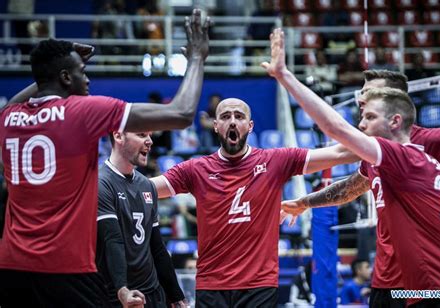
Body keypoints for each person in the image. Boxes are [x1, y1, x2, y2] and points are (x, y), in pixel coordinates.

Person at [0, 9, 210, 308]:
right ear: (64, 77)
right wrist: (198, 58)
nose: (86, 78)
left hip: (11, 267)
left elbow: (13, 102)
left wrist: (49, 75)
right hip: (64, 268)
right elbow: (181, 113)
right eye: (81, 72)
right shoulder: (80, 111)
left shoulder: (10, 118)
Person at [263, 28, 440, 307]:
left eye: (369, 102)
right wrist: (304, 202)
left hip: (430, 288)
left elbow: (336, 132)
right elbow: (350, 181)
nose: (360, 103)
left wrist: (285, 76)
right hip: (405, 286)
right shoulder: (399, 156)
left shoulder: (409, 150)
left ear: (394, 112)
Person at [148, 97, 358, 307]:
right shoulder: (195, 170)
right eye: (225, 116)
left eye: (239, 116)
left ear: (250, 126)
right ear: (215, 126)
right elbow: (145, 189)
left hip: (259, 286)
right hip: (211, 285)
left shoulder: (275, 161)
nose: (232, 122)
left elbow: (341, 152)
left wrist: (380, 144)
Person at [96, 131, 186, 308]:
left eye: (150, 135)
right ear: (119, 136)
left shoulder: (146, 185)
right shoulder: (101, 182)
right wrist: (122, 289)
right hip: (118, 297)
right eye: (141, 134)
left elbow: (157, 246)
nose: (150, 141)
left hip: (153, 294)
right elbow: (112, 241)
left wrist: (176, 295)